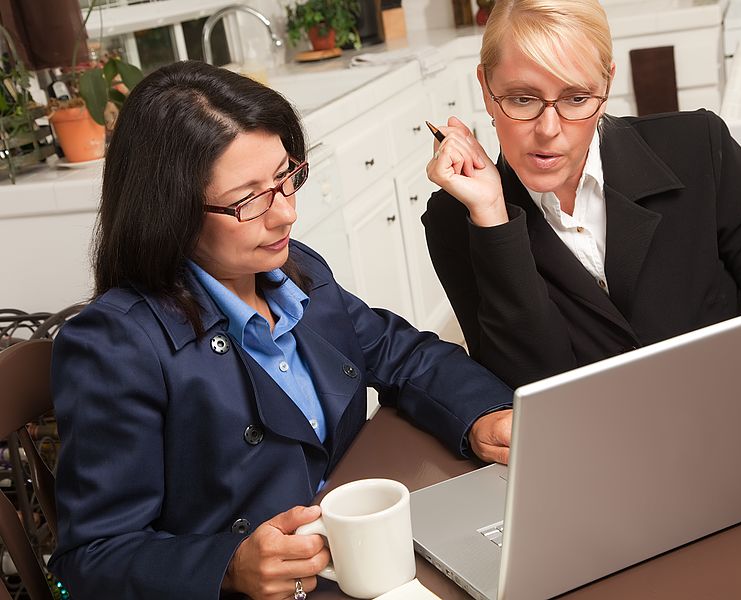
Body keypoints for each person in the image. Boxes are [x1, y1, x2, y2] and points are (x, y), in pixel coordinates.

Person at [48, 60, 513, 600]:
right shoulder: (115, 345)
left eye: (287, 177)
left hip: (356, 565)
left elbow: (399, 351)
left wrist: (483, 414)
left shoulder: (297, 274)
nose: (285, 214)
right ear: (168, 211)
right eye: (249, 199)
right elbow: (89, 559)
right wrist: (228, 566)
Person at [423, 0, 741, 392]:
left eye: (576, 98)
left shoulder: (697, 147)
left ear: (606, 85)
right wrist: (494, 219)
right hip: (593, 458)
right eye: (522, 98)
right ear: (484, 87)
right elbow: (533, 395)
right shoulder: (456, 221)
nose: (549, 129)